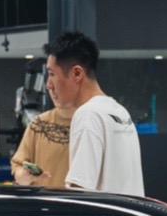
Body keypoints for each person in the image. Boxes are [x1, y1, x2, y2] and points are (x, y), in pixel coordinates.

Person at [43, 31, 144, 196]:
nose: (48, 85)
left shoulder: (88, 115)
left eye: (52, 74)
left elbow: (80, 193)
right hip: (128, 212)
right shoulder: (120, 112)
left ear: (77, 73)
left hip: (103, 214)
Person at [9, 77, 74, 188]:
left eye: (54, 74)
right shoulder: (39, 123)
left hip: (87, 198)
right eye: (49, 75)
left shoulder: (94, 122)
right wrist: (24, 177)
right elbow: (18, 167)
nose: (49, 86)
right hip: (45, 197)